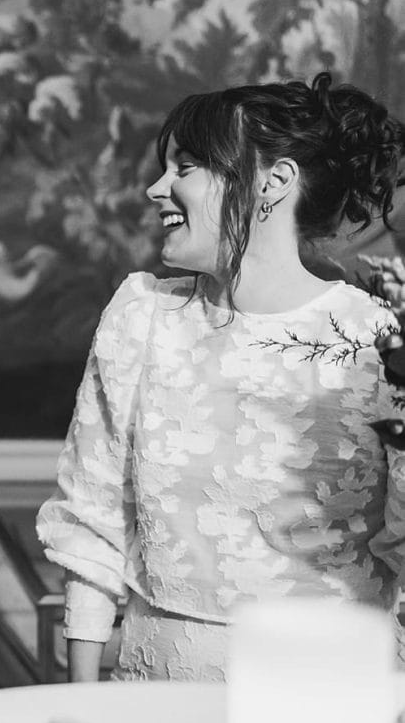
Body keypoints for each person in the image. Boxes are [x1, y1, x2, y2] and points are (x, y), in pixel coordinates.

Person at [36, 72, 405, 683]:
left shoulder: (377, 342)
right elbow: (93, 522)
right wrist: (83, 700)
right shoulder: (140, 316)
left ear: (272, 181)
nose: (157, 189)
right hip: (152, 691)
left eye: (186, 167)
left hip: (325, 702)